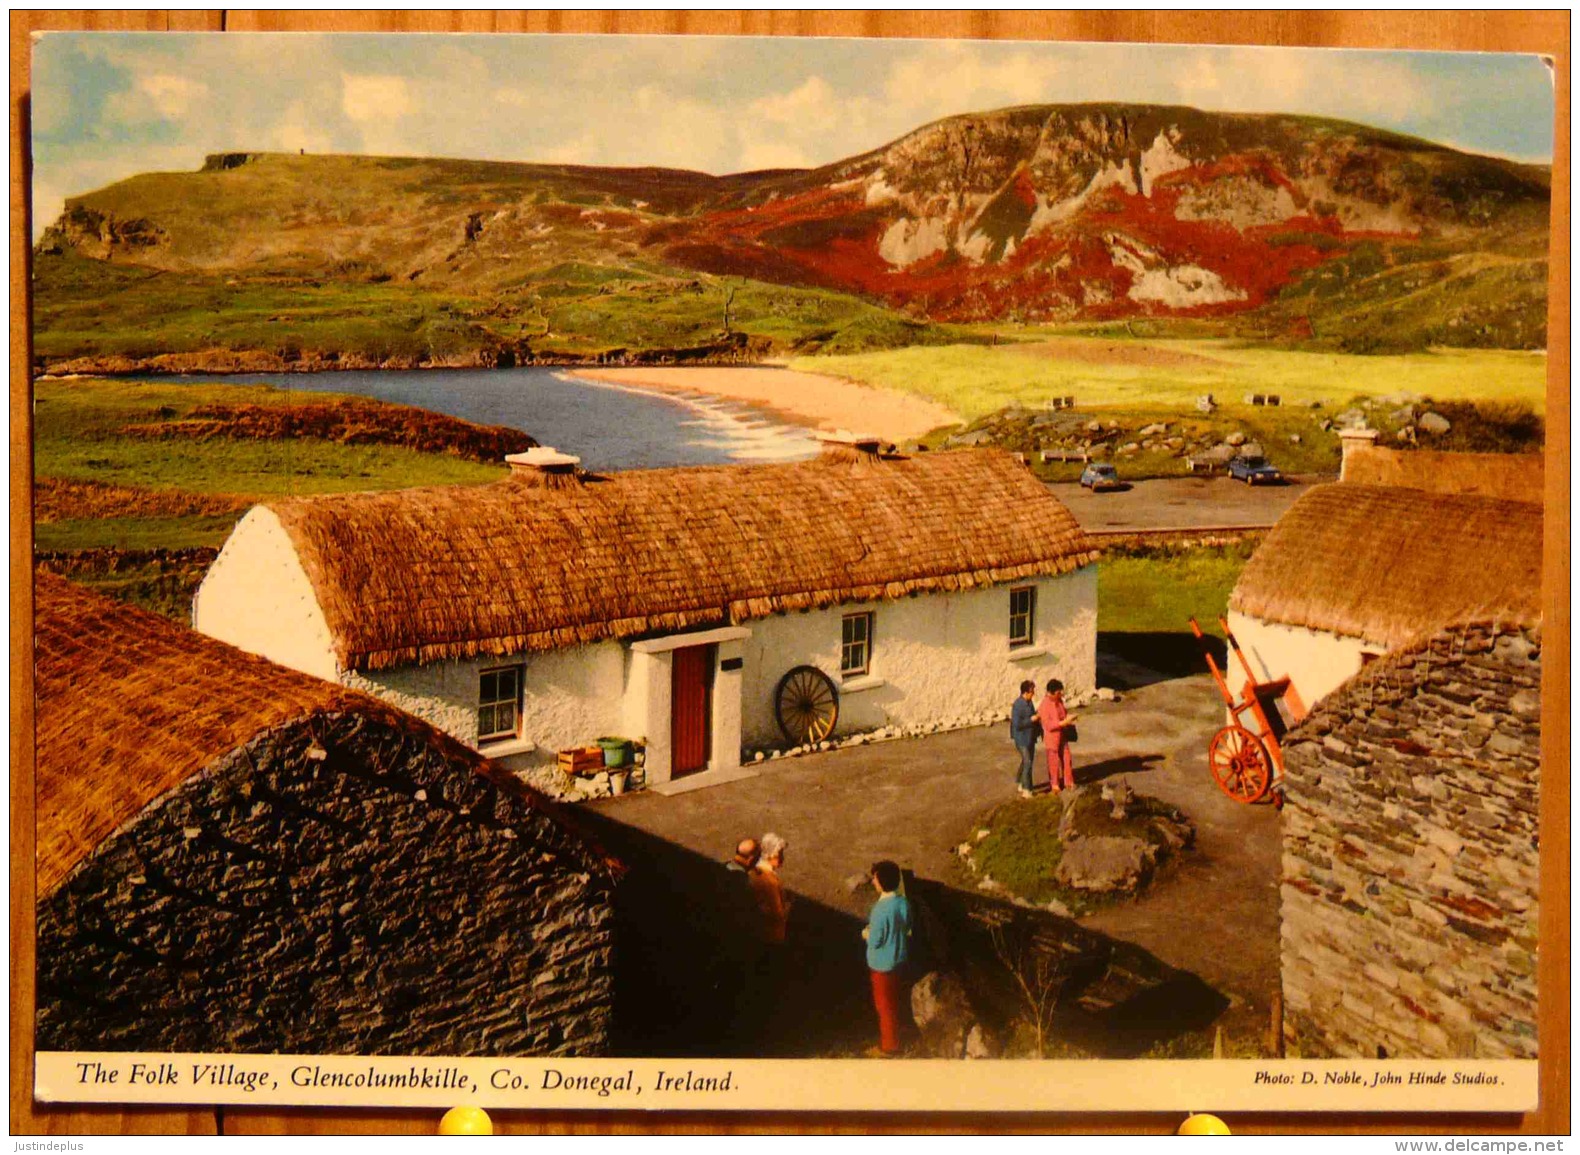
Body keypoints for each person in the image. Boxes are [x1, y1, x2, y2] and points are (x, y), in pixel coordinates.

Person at [861, 859, 913, 1057]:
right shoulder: (903, 902)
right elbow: (907, 926)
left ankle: (889, 1047)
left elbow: (875, 940)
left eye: (875, 878)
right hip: (899, 958)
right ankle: (900, 1033)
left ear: (881, 881)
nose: (873, 882)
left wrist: (866, 933)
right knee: (897, 999)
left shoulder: (880, 909)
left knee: (884, 1007)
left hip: (881, 964)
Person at [1038, 678, 1078, 792]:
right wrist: (1063, 722)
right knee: (1053, 763)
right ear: (1051, 692)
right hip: (1052, 738)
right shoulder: (1044, 705)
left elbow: (1063, 713)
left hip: (1062, 736)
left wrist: (1069, 719)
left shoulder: (1059, 701)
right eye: (1058, 693)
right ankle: (1055, 784)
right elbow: (1048, 725)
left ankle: (1069, 782)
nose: (1060, 694)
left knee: (1067, 759)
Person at [1010, 679, 1041, 797]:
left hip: (1030, 738)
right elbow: (1017, 724)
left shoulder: (1029, 702)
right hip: (1021, 739)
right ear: (1026, 692)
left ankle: (1020, 781)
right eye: (1032, 691)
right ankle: (1027, 790)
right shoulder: (1018, 705)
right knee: (1028, 762)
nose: (1033, 694)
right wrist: (1031, 720)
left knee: (1026, 761)